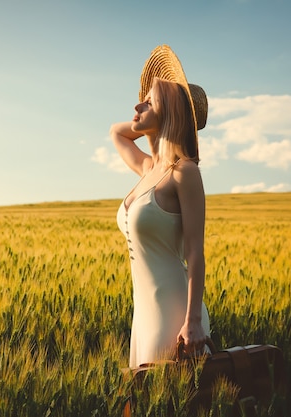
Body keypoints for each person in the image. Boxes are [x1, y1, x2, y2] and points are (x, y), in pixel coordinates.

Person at [110, 45, 211, 368]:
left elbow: (195, 252)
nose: (137, 106)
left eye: (148, 102)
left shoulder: (184, 172)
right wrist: (149, 119)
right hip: (144, 310)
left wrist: (192, 321)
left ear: (170, 114)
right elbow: (116, 132)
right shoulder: (148, 169)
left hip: (175, 312)